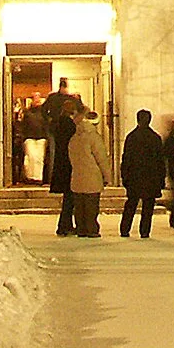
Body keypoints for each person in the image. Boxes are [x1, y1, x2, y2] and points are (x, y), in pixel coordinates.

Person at [119, 108, 168, 238]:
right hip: (151, 178)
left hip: (135, 177)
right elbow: (160, 161)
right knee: (148, 206)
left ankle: (125, 229)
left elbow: (126, 158)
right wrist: (161, 179)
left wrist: (125, 176)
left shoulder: (131, 137)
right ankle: (144, 231)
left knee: (131, 204)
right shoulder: (155, 138)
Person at [66, 106, 111, 238]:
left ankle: (81, 228)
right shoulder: (94, 138)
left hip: (77, 177)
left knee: (79, 207)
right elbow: (101, 158)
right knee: (91, 206)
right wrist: (107, 176)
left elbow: (71, 157)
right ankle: (92, 229)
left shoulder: (74, 139)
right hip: (92, 177)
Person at [48, 91, 79, 236]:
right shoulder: (69, 124)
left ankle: (65, 224)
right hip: (68, 163)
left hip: (62, 163)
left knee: (69, 197)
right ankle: (64, 225)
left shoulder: (59, 123)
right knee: (70, 197)